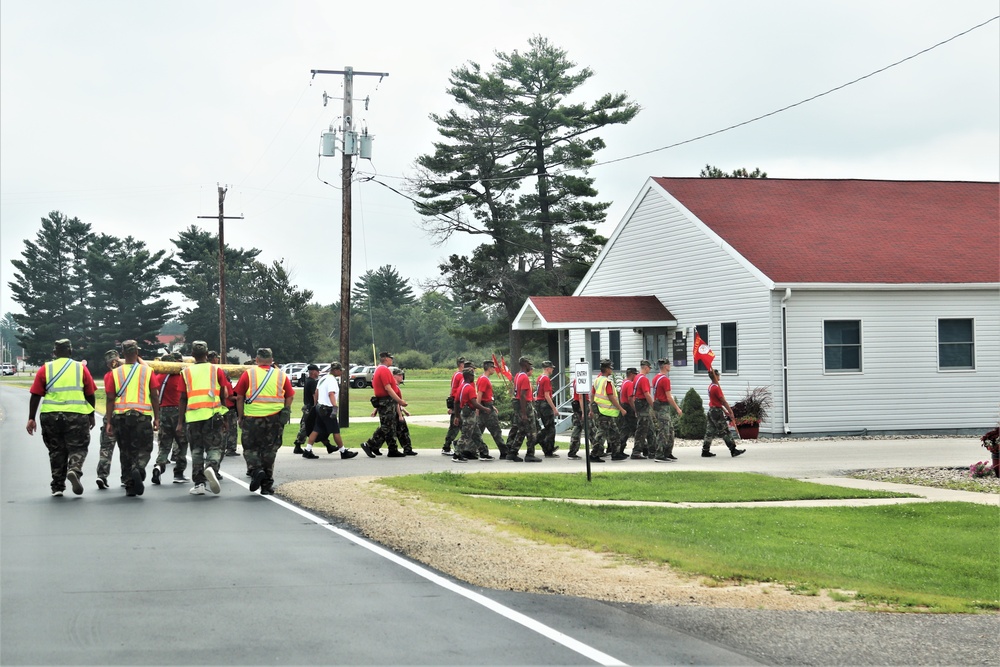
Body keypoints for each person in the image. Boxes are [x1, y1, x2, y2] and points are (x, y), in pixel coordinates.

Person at [25, 338, 97, 497]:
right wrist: (91, 414)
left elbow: (35, 395)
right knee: (78, 446)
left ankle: (57, 486)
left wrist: (31, 418)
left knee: (56, 450)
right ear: (71, 351)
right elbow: (90, 394)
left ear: (54, 352)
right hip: (77, 414)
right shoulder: (80, 368)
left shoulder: (45, 369)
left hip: (51, 416)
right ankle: (74, 469)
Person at [234, 348, 294, 495]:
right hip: (274, 418)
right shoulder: (281, 375)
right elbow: (290, 395)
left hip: (252, 418)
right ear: (272, 359)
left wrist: (240, 416)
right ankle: (267, 485)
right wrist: (285, 410)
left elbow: (239, 397)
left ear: (256, 359)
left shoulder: (248, 374)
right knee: (269, 451)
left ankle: (256, 470)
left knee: (250, 448)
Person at [105, 340, 160, 497]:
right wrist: (157, 418)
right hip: (142, 416)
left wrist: (109, 421)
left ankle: (129, 485)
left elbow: (109, 398)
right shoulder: (147, 371)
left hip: (121, 417)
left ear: (122, 354)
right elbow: (154, 396)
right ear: (137, 352)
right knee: (145, 447)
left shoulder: (115, 373)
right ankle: (139, 467)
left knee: (125, 450)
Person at [178, 341, 230, 495]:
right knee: (214, 447)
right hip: (213, 414)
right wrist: (226, 418)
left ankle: (199, 483)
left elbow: (182, 398)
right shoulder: (216, 370)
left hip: (194, 416)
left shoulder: (185, 372)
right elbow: (223, 395)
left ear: (192, 355)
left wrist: (180, 422)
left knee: (196, 449)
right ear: (207, 354)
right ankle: (211, 467)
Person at [303, 362, 359, 459]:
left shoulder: (323, 378)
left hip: (319, 407)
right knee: (335, 430)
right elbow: (331, 394)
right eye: (340, 370)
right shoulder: (332, 380)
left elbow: (316, 392)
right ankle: (343, 451)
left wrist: (316, 404)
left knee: (316, 429)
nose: (341, 372)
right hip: (327, 409)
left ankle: (307, 450)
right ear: (336, 370)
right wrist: (335, 407)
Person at [360, 351, 407, 458]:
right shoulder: (383, 370)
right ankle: (370, 444)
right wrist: (399, 401)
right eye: (391, 358)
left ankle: (391, 449)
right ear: (386, 359)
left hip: (385, 401)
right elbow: (388, 388)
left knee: (389, 426)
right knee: (387, 426)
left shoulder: (379, 369)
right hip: (387, 401)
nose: (392, 360)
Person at [95, 349, 130, 489]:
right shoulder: (126, 374)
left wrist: (108, 420)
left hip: (111, 414)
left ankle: (102, 475)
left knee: (106, 448)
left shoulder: (108, 376)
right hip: (124, 414)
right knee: (125, 448)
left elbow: (110, 397)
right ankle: (126, 477)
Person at [152, 353, 188, 485]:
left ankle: (159, 465)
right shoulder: (180, 376)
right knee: (182, 443)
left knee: (164, 443)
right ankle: (178, 473)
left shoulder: (158, 376)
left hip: (163, 411)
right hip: (178, 411)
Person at [588, 359, 626, 462]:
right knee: (601, 434)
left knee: (615, 432)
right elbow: (611, 397)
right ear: (607, 369)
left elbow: (592, 395)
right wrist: (621, 408)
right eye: (610, 368)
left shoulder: (597, 380)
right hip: (605, 411)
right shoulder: (607, 382)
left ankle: (616, 453)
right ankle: (594, 454)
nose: (611, 370)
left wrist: (591, 408)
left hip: (601, 410)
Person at [703, 368, 746, 458]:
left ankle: (705, 450)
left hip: (712, 410)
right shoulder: (716, 388)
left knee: (710, 431)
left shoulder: (710, 387)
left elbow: (716, 402)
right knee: (725, 431)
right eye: (718, 375)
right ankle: (733, 449)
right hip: (717, 412)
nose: (719, 376)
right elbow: (723, 401)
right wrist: (730, 411)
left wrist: (724, 411)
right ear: (716, 376)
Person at [505, 357, 541, 463]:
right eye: (529, 364)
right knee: (532, 432)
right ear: (525, 365)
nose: (530, 366)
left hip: (518, 404)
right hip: (525, 406)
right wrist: (524, 413)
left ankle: (512, 452)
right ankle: (530, 454)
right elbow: (522, 395)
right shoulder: (524, 377)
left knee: (521, 430)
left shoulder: (517, 375)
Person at [453, 366, 491, 462]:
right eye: (472, 375)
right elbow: (474, 402)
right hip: (470, 414)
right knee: (466, 435)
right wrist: (484, 408)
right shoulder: (469, 388)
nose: (474, 377)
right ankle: (457, 454)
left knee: (477, 434)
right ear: (469, 376)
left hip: (464, 412)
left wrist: (457, 416)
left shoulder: (461, 387)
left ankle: (483, 453)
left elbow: (456, 402)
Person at [295, 365, 332, 456]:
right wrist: (317, 406)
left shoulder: (308, 381)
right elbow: (315, 395)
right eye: (317, 371)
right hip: (311, 407)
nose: (318, 372)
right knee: (307, 427)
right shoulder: (312, 382)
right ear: (313, 372)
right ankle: (298, 444)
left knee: (317, 426)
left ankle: (328, 445)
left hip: (308, 406)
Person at [209, 350, 240, 458]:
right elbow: (228, 395)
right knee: (231, 430)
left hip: (214, 407)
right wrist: (239, 398)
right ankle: (230, 448)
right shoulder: (225, 382)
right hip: (228, 407)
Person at [651, 358, 683, 462]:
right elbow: (668, 397)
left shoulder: (656, 378)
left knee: (670, 430)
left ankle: (667, 452)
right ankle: (659, 454)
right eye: (669, 364)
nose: (670, 366)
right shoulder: (665, 380)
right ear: (665, 366)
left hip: (659, 406)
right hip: (663, 407)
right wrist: (677, 408)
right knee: (664, 431)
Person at [476, 360, 508, 458]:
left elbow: (485, 396)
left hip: (486, 406)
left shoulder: (482, 378)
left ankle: (468, 449)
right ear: (489, 368)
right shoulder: (484, 379)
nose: (494, 369)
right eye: (493, 367)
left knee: (478, 431)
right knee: (496, 430)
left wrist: (492, 405)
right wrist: (478, 409)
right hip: (486, 409)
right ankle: (504, 452)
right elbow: (480, 395)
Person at [534, 360, 560, 458]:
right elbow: (547, 395)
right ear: (547, 368)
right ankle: (548, 449)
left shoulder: (539, 378)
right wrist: (554, 408)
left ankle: (545, 446)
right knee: (550, 429)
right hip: (545, 405)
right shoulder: (546, 379)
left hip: (539, 403)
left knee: (547, 427)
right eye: (551, 368)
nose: (552, 369)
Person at [441, 356, 466, 455]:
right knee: (454, 426)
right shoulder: (459, 375)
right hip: (457, 402)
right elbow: (456, 391)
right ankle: (446, 447)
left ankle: (456, 444)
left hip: (458, 402)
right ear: (461, 364)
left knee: (460, 426)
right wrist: (452, 407)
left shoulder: (458, 374)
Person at [389, 367, 417, 456]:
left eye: (402, 375)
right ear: (394, 376)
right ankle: (407, 449)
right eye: (399, 375)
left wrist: (405, 411)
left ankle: (407, 448)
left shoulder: (395, 387)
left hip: (397, 411)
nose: (401, 377)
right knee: (402, 431)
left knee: (396, 431)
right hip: (395, 412)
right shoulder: (394, 387)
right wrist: (400, 415)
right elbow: (396, 402)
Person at [631, 360, 655, 459]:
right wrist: (653, 405)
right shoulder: (644, 379)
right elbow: (647, 394)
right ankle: (636, 451)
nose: (649, 370)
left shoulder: (636, 378)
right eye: (649, 368)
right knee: (642, 429)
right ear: (646, 367)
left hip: (638, 403)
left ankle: (652, 450)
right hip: (643, 404)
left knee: (650, 428)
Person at [618, 367, 639, 458]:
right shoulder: (630, 384)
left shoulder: (624, 382)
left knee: (625, 429)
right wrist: (635, 409)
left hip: (623, 405)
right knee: (635, 428)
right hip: (628, 407)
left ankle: (620, 449)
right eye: (635, 374)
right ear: (631, 374)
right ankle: (643, 449)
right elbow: (630, 398)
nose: (636, 376)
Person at [566, 376, 585, 460]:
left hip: (576, 405)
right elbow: (580, 397)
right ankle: (597, 450)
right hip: (580, 407)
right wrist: (584, 411)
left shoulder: (575, 380)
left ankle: (572, 451)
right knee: (589, 429)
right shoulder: (580, 381)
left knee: (578, 428)